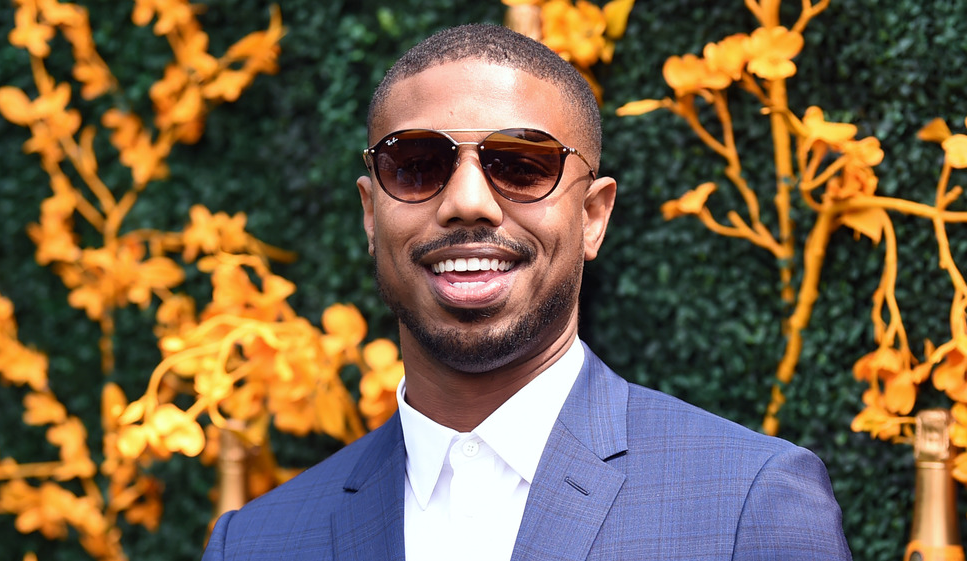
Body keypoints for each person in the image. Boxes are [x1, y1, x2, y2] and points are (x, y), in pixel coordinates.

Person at [202, 23, 852, 560]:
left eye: (520, 164)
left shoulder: (749, 502)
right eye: (418, 163)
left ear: (593, 216)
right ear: (372, 214)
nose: (466, 202)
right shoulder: (256, 542)